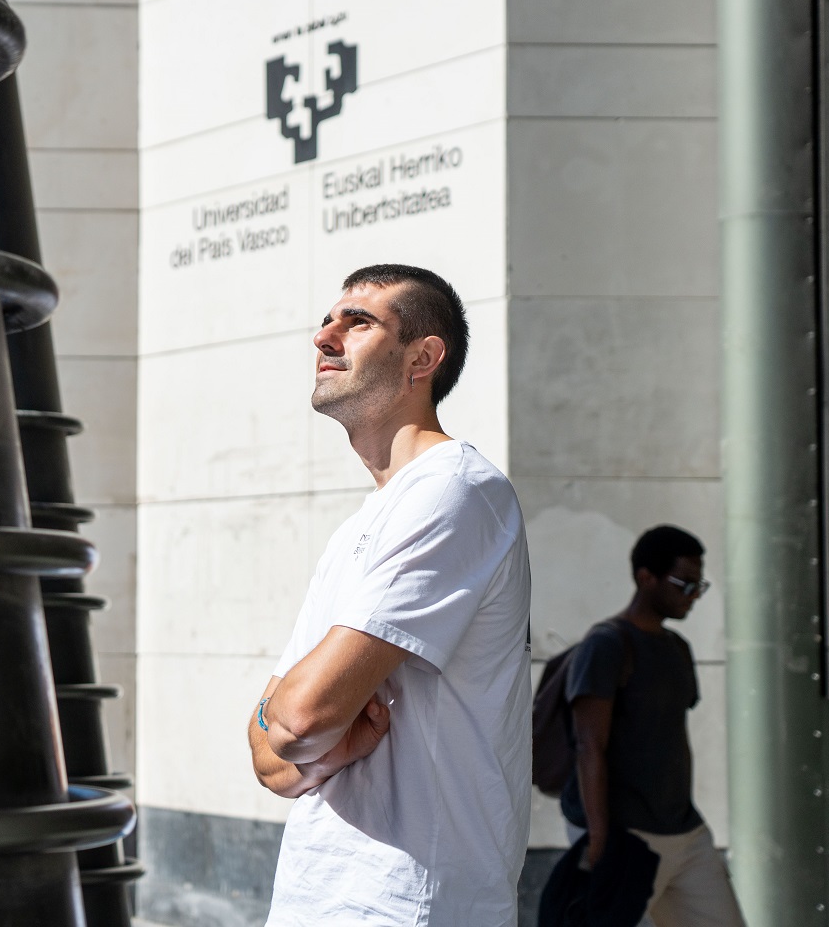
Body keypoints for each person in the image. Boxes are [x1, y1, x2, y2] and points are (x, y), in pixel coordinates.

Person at [247, 264, 532, 926]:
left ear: (423, 358)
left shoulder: (455, 490)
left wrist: (303, 730)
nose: (325, 335)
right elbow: (272, 764)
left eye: (359, 321)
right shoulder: (355, 531)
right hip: (319, 898)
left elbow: (294, 719)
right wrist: (319, 739)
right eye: (328, 318)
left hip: (411, 905)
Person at [560, 525, 747, 927]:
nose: (693, 596)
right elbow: (589, 746)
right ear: (646, 578)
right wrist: (598, 840)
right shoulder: (606, 644)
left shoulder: (678, 648)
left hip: (686, 834)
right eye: (684, 584)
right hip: (624, 839)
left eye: (700, 586)